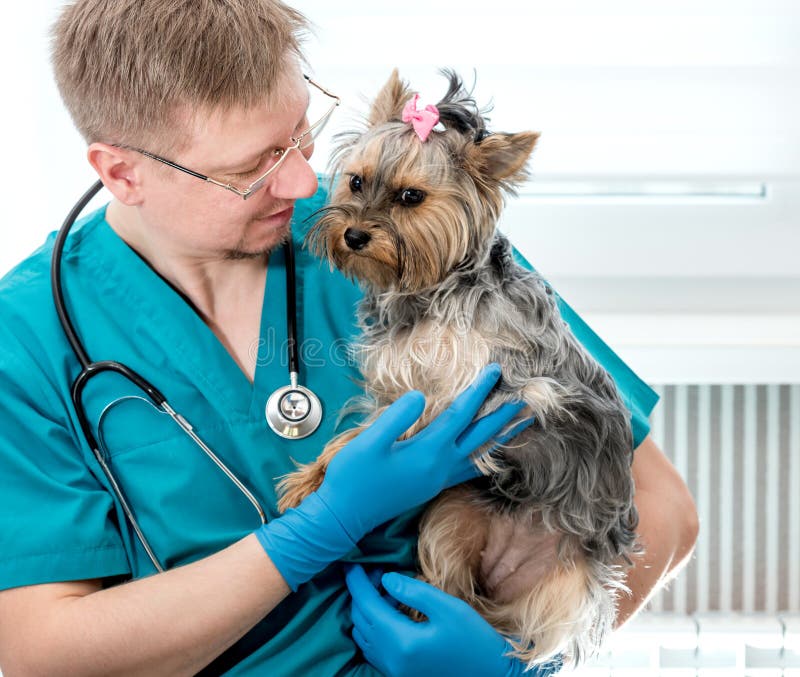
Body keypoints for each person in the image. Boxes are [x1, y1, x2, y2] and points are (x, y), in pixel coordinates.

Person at [0, 1, 699, 674]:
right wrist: (310, 533)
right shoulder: (27, 337)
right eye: (255, 167)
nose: (308, 180)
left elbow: (664, 508)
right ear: (122, 172)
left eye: (302, 135)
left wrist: (524, 665)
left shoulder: (413, 235)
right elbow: (42, 650)